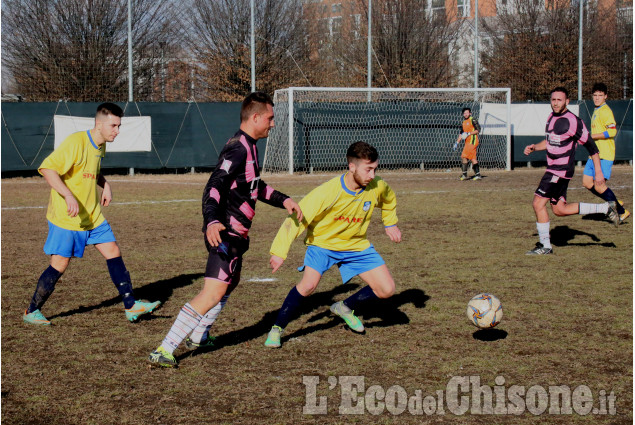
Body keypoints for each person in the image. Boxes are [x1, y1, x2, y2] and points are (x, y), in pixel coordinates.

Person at [148, 92, 303, 367]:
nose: (273, 123)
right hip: (225, 232)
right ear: (255, 117)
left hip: (236, 234)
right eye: (270, 117)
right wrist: (211, 220)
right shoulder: (238, 148)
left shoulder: (250, 145)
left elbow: (253, 185)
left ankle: (199, 336)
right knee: (213, 292)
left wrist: (284, 199)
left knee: (229, 284)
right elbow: (214, 185)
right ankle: (164, 348)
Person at [24, 103, 161, 325]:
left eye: (119, 125)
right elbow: (48, 169)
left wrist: (104, 184)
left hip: (92, 215)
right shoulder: (76, 142)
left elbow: (93, 171)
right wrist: (68, 195)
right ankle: (32, 311)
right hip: (67, 217)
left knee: (113, 251)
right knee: (59, 264)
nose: (117, 130)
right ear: (99, 124)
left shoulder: (100, 145)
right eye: (113, 125)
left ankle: (131, 305)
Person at [264, 141, 402, 348]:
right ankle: (277, 328)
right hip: (323, 245)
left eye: (375, 169)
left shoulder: (376, 186)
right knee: (308, 285)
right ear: (352, 167)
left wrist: (390, 222)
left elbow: (389, 199)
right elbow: (296, 218)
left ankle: (344, 307)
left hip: (356, 245)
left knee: (386, 289)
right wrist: (279, 251)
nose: (372, 175)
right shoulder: (327, 192)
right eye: (368, 169)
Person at [523, 87, 619, 255]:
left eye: (559, 100)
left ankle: (546, 246)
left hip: (559, 170)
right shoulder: (551, 117)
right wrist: (535, 147)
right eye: (553, 100)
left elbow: (592, 147)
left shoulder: (573, 121)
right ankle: (605, 208)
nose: (555, 103)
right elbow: (550, 141)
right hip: (554, 168)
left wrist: (598, 172)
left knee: (538, 203)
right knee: (560, 209)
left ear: (567, 101)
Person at [582, 82, 630, 223]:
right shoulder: (596, 110)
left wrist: (593, 136)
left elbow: (612, 131)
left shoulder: (605, 111)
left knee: (599, 185)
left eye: (600, 95)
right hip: (594, 154)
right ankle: (614, 201)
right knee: (586, 182)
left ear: (605, 96)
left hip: (605, 154)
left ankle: (622, 212)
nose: (597, 98)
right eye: (595, 95)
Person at [456, 107, 482, 180]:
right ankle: (478, 175)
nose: (465, 114)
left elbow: (478, 130)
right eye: (464, 113)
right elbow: (461, 134)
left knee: (464, 156)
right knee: (473, 158)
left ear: (470, 113)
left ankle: (464, 175)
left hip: (472, 141)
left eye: (467, 113)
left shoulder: (473, 119)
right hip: (468, 142)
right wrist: (457, 142)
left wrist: (469, 133)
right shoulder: (463, 123)